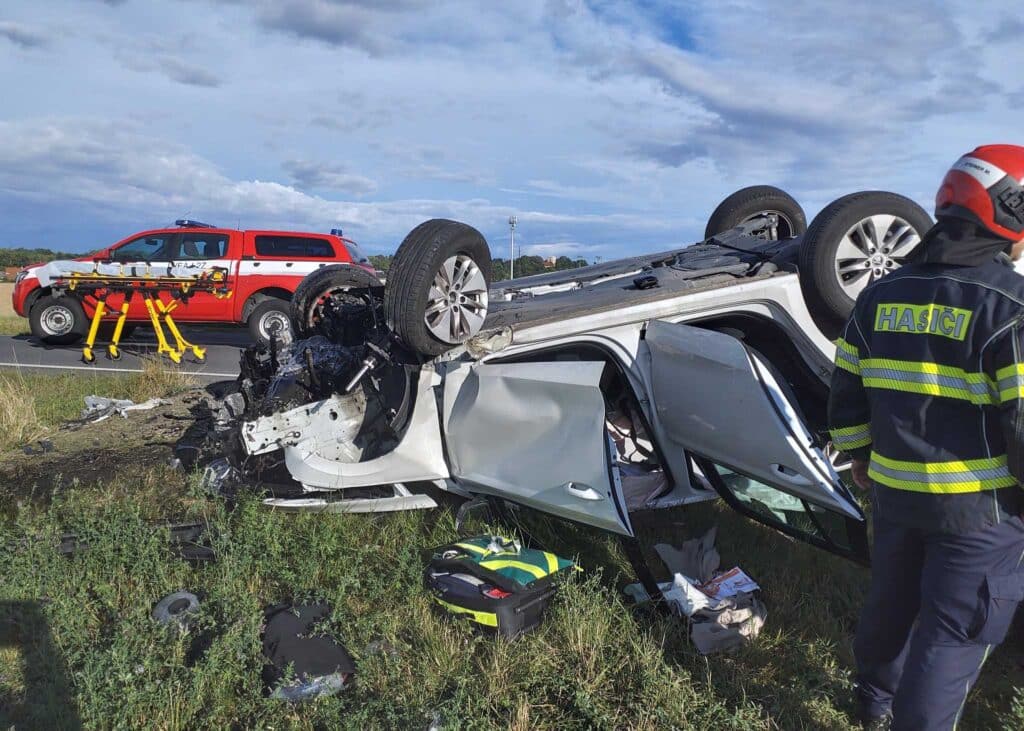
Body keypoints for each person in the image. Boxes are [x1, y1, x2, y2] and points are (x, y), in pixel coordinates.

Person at [828, 144, 1024, 730]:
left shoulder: (879, 294)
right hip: (979, 515)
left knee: (890, 607)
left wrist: (860, 455)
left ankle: (873, 706)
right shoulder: (1011, 307)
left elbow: (847, 389)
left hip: (894, 497)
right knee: (953, 638)